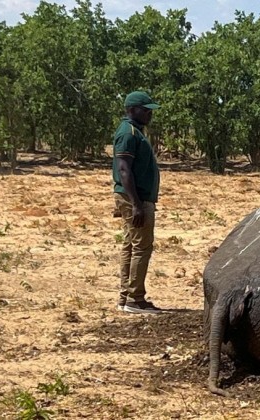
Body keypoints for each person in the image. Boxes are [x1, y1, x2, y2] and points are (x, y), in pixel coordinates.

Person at [112, 91, 162, 314]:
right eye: (145, 109)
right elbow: (123, 169)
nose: (149, 113)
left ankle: (126, 297)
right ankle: (135, 299)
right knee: (141, 247)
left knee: (130, 245)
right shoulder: (129, 134)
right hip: (136, 199)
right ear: (132, 110)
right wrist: (136, 204)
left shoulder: (135, 132)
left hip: (136, 198)